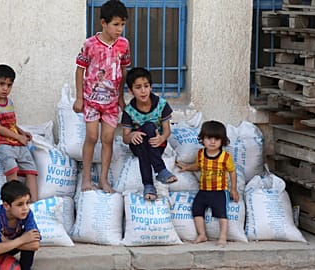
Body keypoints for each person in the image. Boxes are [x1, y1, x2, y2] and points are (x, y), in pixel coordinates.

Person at [73, 0, 131, 193]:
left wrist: (121, 98)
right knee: (91, 136)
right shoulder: (90, 44)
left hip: (112, 103)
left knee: (107, 139)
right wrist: (79, 98)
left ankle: (104, 180)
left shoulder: (123, 45)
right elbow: (80, 71)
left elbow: (123, 71)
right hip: (91, 100)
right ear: (103, 23)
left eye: (122, 24)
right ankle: (87, 178)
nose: (119, 29)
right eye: (116, 24)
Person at [176, 120, 239, 246]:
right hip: (203, 191)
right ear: (202, 139)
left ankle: (222, 237)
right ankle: (202, 235)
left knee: (221, 213)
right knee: (196, 209)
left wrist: (233, 189)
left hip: (219, 191)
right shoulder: (201, 154)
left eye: (217, 139)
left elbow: (232, 172)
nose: (212, 142)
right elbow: (198, 166)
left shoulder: (225, 157)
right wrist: (187, 167)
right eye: (209, 138)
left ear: (222, 141)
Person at [0, 64, 38, 202]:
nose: (5, 88)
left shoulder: (9, 102)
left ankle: (34, 204)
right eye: (2, 84)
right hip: (1, 143)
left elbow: (11, 123)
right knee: (12, 169)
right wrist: (18, 137)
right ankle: (15, 202)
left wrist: (22, 132)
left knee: (31, 169)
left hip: (16, 142)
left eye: (9, 85)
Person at [121, 67, 177, 200]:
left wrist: (162, 137)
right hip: (138, 144)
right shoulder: (129, 111)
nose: (143, 90)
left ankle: (148, 186)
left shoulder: (161, 104)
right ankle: (161, 171)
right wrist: (131, 136)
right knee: (147, 129)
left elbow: (167, 131)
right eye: (138, 87)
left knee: (150, 130)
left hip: (157, 143)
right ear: (131, 90)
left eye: (146, 86)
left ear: (151, 87)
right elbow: (125, 138)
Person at [0, 180, 41, 270]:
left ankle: (25, 268)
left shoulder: (27, 213)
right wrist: (22, 240)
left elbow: (35, 245)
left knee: (29, 237)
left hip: (6, 243)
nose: (25, 208)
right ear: (6, 206)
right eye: (20, 204)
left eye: (27, 203)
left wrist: (7, 241)